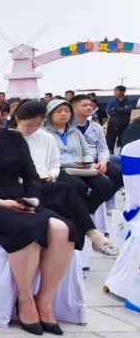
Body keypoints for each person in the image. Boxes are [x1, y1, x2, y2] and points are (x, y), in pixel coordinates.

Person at [0, 85, 79, 335]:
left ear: (1, 108)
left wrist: (34, 199)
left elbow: (31, 175)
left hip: (20, 203)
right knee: (28, 228)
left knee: (63, 229)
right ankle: (25, 299)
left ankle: (44, 299)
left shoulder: (14, 138)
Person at [14, 99, 118, 256]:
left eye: (36, 125)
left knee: (71, 188)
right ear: (17, 119)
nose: (32, 129)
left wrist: (51, 174)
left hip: (45, 180)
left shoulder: (46, 137)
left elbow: (54, 163)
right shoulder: (9, 138)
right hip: (23, 184)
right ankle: (92, 233)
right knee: (70, 188)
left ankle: (94, 234)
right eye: (28, 125)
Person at [42, 99, 116, 215]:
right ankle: (78, 215)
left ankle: (85, 212)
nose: (63, 114)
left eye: (67, 111)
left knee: (107, 186)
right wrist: (75, 163)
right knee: (79, 186)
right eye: (59, 111)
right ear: (49, 114)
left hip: (82, 167)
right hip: (60, 169)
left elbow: (87, 151)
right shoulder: (44, 134)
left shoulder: (75, 132)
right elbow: (48, 158)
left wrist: (88, 162)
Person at [71, 94, 124, 190]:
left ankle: (107, 197)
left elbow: (103, 148)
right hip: (77, 163)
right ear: (72, 108)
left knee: (119, 173)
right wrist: (89, 164)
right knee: (94, 184)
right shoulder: (66, 127)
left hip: (97, 160)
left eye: (90, 105)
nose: (89, 107)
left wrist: (103, 162)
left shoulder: (96, 127)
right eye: (84, 105)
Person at [106, 85, 136, 153]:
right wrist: (123, 109)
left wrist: (115, 109)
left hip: (124, 125)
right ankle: (110, 157)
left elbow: (128, 109)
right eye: (114, 91)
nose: (115, 92)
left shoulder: (131, 101)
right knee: (110, 142)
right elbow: (109, 111)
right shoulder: (111, 102)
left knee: (123, 142)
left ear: (122, 92)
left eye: (116, 91)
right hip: (112, 125)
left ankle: (121, 157)